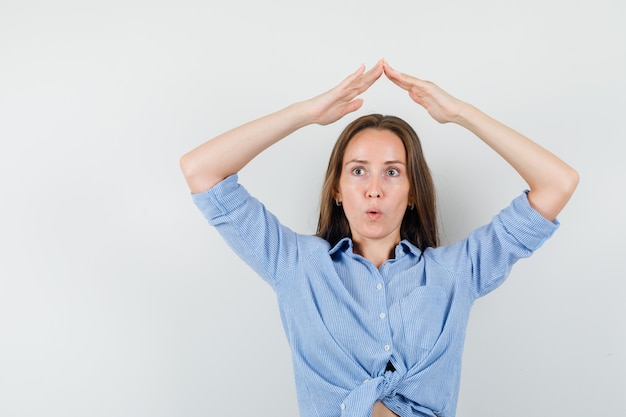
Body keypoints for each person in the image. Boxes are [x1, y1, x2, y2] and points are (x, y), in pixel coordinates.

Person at [179, 59, 578, 417]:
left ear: (413, 191)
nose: (374, 189)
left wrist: (460, 114)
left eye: (392, 172)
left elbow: (558, 183)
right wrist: (306, 113)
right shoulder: (296, 266)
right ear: (336, 189)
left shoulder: (455, 274)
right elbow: (201, 171)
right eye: (357, 171)